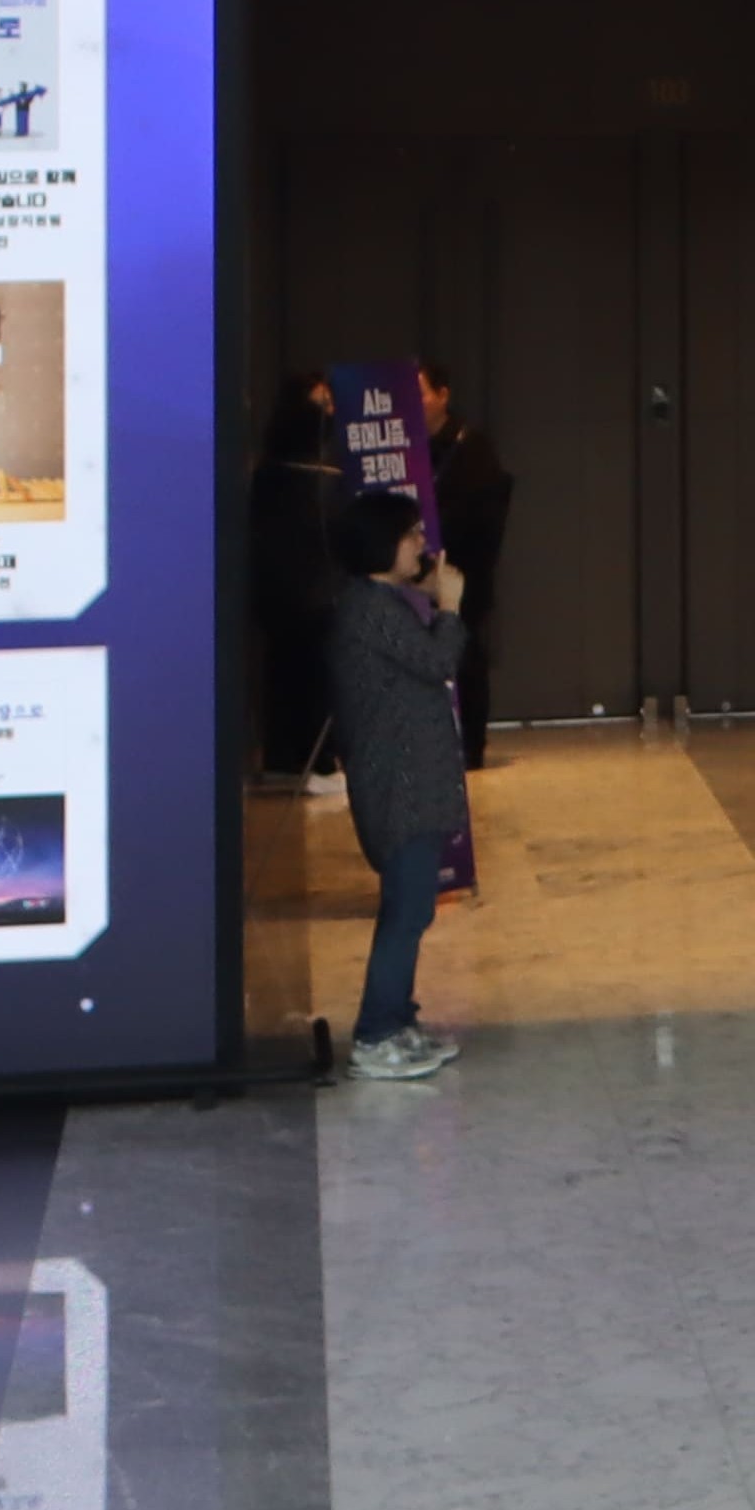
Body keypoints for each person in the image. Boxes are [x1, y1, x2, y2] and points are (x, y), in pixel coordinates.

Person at [323, 487, 472, 1080]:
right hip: (399, 787)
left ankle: (399, 1018)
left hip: (414, 783)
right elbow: (437, 663)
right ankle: (375, 1033)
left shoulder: (385, 603)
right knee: (405, 912)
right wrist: (450, 609)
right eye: (411, 534)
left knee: (414, 910)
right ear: (381, 544)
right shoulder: (370, 609)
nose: (421, 544)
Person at [244, 381, 345, 790]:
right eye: (321, 403)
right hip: (301, 594)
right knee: (305, 675)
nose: (329, 411)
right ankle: (310, 761)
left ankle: (291, 758)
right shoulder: (293, 477)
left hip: (289, 594)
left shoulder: (270, 474)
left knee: (293, 673)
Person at [424, 369, 520, 768]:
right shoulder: (406, 446)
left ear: (443, 395)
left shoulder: (472, 446)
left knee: (465, 654)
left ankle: (470, 744)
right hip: (417, 572)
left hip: (462, 570)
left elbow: (484, 517)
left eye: (422, 393)